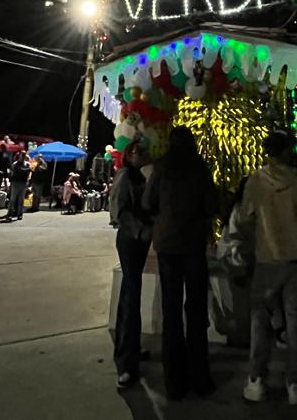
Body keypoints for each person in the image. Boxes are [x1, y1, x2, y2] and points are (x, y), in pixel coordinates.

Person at [239, 131, 297, 406]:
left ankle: (256, 380)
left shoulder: (256, 180)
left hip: (266, 261)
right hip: (296, 261)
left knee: (260, 322)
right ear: (288, 150)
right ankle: (294, 384)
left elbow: (245, 217)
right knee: (295, 323)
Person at [142, 126, 217, 401]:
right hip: (193, 244)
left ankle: (174, 382)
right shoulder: (200, 169)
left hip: (167, 245)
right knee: (196, 311)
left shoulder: (161, 168)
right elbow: (212, 205)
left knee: (171, 311)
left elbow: (147, 201)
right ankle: (199, 378)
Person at [109, 140, 153, 389]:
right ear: (129, 155)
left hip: (137, 239)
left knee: (130, 291)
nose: (145, 155)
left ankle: (130, 347)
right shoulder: (125, 176)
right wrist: (141, 231)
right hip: (130, 239)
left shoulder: (137, 175)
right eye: (140, 152)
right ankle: (126, 362)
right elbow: (119, 210)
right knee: (131, 294)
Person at [5, 153, 31, 221]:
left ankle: (19, 214)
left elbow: (28, 174)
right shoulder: (16, 164)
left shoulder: (26, 164)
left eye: (23, 156)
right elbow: (16, 171)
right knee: (13, 199)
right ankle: (10, 214)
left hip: (22, 183)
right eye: (22, 156)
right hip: (16, 183)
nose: (22, 157)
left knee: (20, 199)